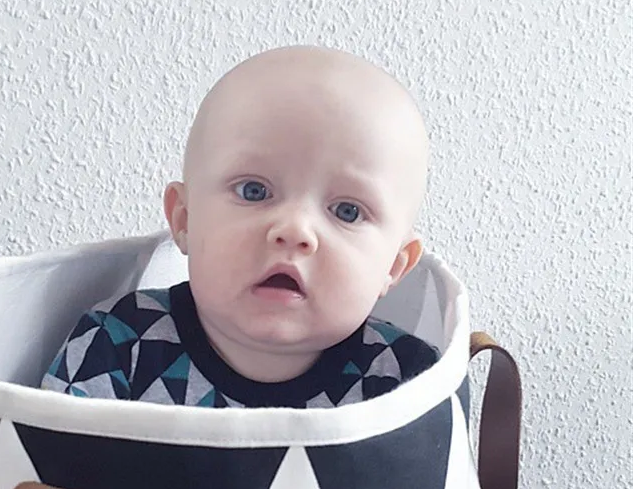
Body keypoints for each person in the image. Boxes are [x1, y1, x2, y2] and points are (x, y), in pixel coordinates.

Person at [42, 45, 438, 408]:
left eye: (347, 211)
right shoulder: (118, 345)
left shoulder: (408, 381)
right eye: (254, 191)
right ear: (184, 219)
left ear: (394, 265)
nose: (295, 230)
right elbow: (39, 459)